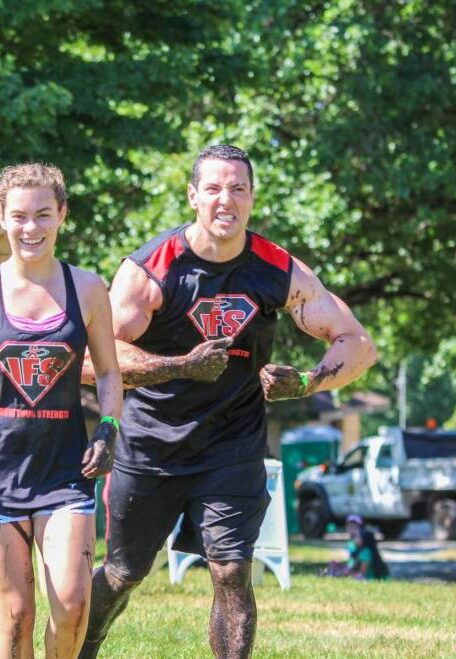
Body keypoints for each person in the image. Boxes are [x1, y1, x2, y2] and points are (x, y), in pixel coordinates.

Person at [79, 144, 379, 659]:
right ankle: (83, 645)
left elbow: (358, 345)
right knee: (124, 572)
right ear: (193, 196)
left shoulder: (277, 269)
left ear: (252, 198)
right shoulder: (153, 269)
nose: (226, 200)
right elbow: (91, 361)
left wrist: (305, 383)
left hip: (231, 445)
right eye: (213, 188)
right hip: (152, 444)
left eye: (238, 188)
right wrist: (178, 366)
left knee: (233, 569)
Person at [0, 163, 123, 659]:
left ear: (62, 216)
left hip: (65, 469)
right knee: (16, 615)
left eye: (43, 215)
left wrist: (109, 430)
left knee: (73, 604)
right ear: (2, 218)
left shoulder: (88, 289)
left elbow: (111, 373)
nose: (30, 228)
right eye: (19, 216)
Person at [325, 515, 389, 580]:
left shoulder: (365, 552)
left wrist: (343, 573)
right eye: (349, 526)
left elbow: (361, 575)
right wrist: (339, 566)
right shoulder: (351, 545)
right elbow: (351, 564)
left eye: (354, 527)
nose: (351, 530)